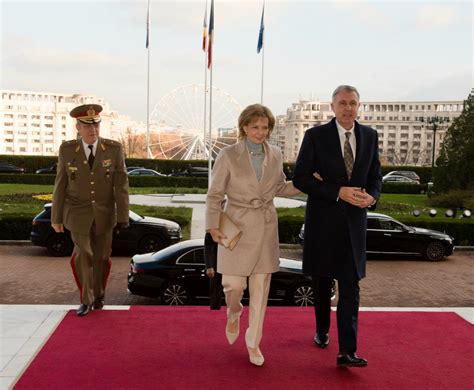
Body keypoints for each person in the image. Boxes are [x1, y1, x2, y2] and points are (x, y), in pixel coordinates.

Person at [292, 85, 382, 367]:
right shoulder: (315, 136)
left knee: (350, 287)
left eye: (353, 103)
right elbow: (301, 178)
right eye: (342, 103)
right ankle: (321, 329)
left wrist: (373, 197)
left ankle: (347, 351)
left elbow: (376, 176)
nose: (348, 108)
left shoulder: (369, 136)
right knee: (321, 282)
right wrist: (336, 191)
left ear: (359, 106)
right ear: (332, 106)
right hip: (322, 223)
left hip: (354, 226)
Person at [206, 103, 300, 366]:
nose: (260, 132)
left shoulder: (277, 154)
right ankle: (234, 313)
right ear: (244, 127)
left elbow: (280, 187)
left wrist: (308, 183)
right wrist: (213, 225)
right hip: (235, 227)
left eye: (265, 127)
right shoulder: (228, 155)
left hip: (266, 226)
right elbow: (215, 194)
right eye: (255, 127)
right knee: (233, 286)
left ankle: (254, 343)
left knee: (261, 291)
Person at [51, 104, 129, 317]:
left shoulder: (114, 149)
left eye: (96, 125)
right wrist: (55, 217)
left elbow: (121, 184)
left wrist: (123, 216)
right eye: (88, 126)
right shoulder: (67, 150)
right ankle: (86, 299)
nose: (93, 130)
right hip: (77, 213)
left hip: (105, 213)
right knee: (83, 254)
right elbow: (60, 184)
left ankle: (99, 295)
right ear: (78, 127)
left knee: (101, 258)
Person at [204, 232, 223, 310]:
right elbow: (208, 249)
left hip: (232, 263)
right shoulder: (211, 230)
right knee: (215, 289)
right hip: (216, 265)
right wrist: (209, 267)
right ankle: (215, 311)